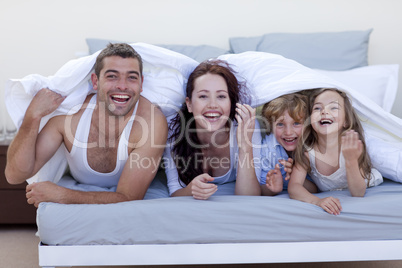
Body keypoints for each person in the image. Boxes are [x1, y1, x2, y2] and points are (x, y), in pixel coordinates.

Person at [5, 43, 168, 207]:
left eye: (132, 77)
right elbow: (14, 176)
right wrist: (32, 117)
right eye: (112, 76)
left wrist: (61, 195)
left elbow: (128, 197)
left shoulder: (151, 122)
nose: (123, 86)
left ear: (141, 84)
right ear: (95, 82)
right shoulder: (70, 116)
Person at [164, 59, 261, 199]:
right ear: (189, 104)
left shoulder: (245, 125)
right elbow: (175, 192)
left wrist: (245, 146)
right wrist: (191, 189)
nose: (213, 105)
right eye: (203, 96)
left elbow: (248, 196)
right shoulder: (174, 132)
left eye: (221, 96)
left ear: (231, 103)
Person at [288, 88, 383, 215]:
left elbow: (358, 193)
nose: (324, 112)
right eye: (317, 108)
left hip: (365, 181)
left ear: (346, 121)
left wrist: (351, 160)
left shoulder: (351, 146)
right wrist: (317, 201)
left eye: (333, 108)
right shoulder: (307, 154)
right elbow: (294, 187)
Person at [259, 92, 317, 196]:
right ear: (271, 126)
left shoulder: (313, 147)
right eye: (280, 124)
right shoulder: (268, 149)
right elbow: (261, 189)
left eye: (296, 123)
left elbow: (316, 189)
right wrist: (273, 189)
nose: (288, 132)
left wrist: (296, 175)